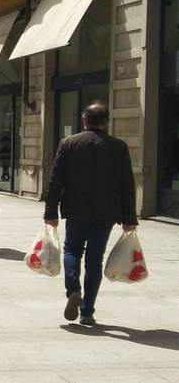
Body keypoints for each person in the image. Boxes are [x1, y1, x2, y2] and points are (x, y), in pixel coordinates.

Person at [44, 103, 137, 326]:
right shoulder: (119, 146)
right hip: (106, 212)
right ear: (106, 121)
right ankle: (87, 312)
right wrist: (129, 218)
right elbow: (127, 184)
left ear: (84, 119)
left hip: (76, 209)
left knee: (72, 250)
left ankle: (74, 289)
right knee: (95, 260)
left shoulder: (69, 143)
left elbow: (56, 180)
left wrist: (51, 211)